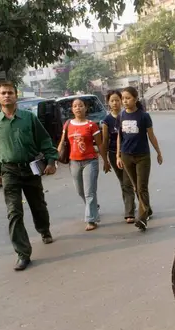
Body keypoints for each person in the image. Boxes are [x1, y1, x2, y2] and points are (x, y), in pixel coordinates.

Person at [0, 81, 58, 271]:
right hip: (9, 171)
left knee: (38, 205)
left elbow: (44, 140)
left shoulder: (29, 118)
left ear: (16, 96)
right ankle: (23, 253)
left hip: (30, 168)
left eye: (10, 92)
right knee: (14, 212)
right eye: (3, 93)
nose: (7, 95)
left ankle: (44, 230)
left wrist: (51, 161)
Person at [116, 87, 163, 231]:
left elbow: (151, 136)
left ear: (136, 99)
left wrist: (158, 152)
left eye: (128, 98)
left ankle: (142, 219)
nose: (125, 101)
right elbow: (120, 136)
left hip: (142, 156)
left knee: (141, 186)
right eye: (123, 98)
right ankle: (147, 209)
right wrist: (118, 155)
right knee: (136, 187)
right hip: (126, 156)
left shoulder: (144, 116)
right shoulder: (121, 116)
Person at [59, 98, 109, 231]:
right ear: (72, 109)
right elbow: (63, 142)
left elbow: (100, 144)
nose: (78, 108)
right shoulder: (68, 124)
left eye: (80, 106)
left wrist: (106, 161)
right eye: (75, 106)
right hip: (74, 162)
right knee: (80, 191)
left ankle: (91, 220)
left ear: (85, 108)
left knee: (89, 192)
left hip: (90, 161)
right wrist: (55, 158)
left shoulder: (91, 125)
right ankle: (93, 207)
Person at [101, 90, 136, 223]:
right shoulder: (106, 120)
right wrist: (105, 160)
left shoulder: (128, 115)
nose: (115, 103)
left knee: (130, 182)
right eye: (112, 100)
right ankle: (130, 209)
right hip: (113, 154)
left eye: (117, 100)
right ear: (108, 103)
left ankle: (133, 210)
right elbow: (105, 141)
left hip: (130, 153)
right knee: (124, 182)